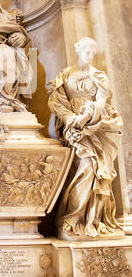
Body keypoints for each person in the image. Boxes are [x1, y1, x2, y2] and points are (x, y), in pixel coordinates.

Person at [48, 37, 124, 238]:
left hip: (95, 127)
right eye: (86, 51)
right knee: (76, 169)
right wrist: (70, 117)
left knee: (92, 167)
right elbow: (55, 101)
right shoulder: (66, 74)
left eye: (92, 52)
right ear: (78, 50)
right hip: (73, 127)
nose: (89, 56)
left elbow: (100, 103)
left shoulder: (99, 76)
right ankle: (72, 217)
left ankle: (87, 218)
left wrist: (85, 118)